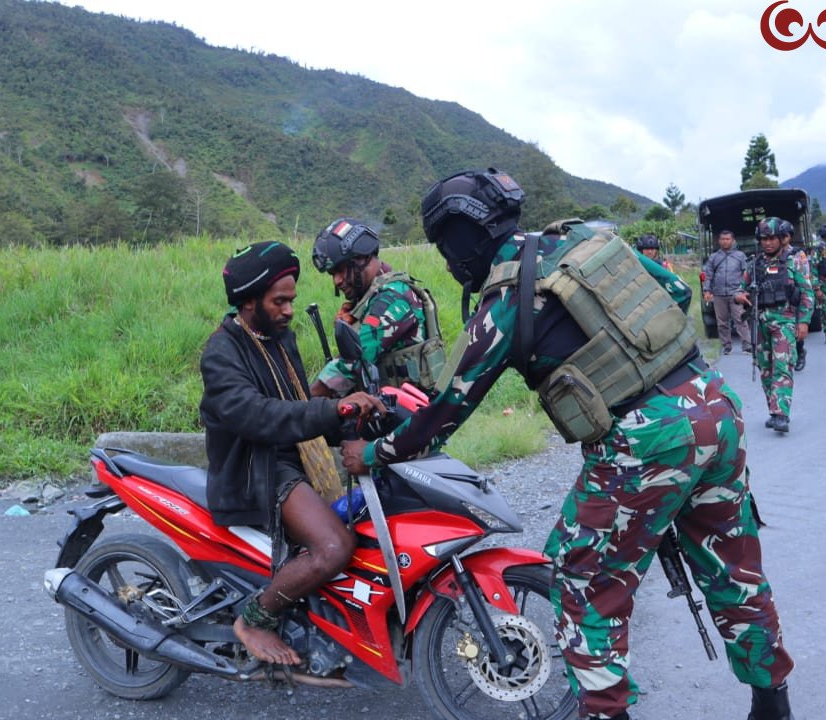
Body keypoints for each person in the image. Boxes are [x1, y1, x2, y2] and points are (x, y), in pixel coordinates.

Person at [340, 169, 795, 720]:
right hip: (713, 407)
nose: (446, 259)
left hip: (643, 438)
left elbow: (447, 409)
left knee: (580, 583)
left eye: (444, 246)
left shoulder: (508, 297)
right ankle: (773, 705)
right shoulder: (589, 241)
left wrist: (375, 453)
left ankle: (607, 712)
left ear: (462, 237)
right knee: (732, 568)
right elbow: (673, 292)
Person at [198, 241, 385, 665]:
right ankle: (254, 620)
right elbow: (258, 416)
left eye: (290, 301)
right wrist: (333, 408)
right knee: (334, 547)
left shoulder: (281, 339)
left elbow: (300, 405)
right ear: (248, 302)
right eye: (278, 301)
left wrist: (360, 421)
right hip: (256, 469)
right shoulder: (221, 353)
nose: (287, 310)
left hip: (292, 457)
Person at [308, 217, 445, 398]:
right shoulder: (372, 296)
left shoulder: (391, 299)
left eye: (340, 270)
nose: (337, 281)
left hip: (411, 416)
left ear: (362, 258)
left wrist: (302, 402)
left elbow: (352, 364)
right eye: (332, 274)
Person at [735, 218, 814, 434]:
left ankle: (781, 414)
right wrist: (740, 296)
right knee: (765, 368)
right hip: (759, 321)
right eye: (763, 239)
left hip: (785, 319)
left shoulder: (794, 260)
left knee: (782, 365)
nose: (767, 243)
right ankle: (774, 408)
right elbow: (741, 288)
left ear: (782, 238)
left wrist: (804, 321)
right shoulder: (755, 263)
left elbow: (807, 291)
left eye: (771, 238)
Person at [703, 229, 753, 355]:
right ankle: (726, 346)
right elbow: (708, 275)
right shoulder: (714, 257)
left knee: (740, 319)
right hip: (718, 294)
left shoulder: (740, 256)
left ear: (733, 240)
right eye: (723, 239)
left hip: (736, 293)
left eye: (728, 239)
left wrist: (744, 290)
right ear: (719, 241)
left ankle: (747, 344)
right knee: (722, 322)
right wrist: (707, 290)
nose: (725, 242)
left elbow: (746, 274)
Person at [779, 227, 814, 372]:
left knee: (797, 329)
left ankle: (800, 353)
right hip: (779, 297)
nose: (782, 238)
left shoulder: (798, 254)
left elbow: (805, 274)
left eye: (785, 236)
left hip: (795, 295)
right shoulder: (771, 253)